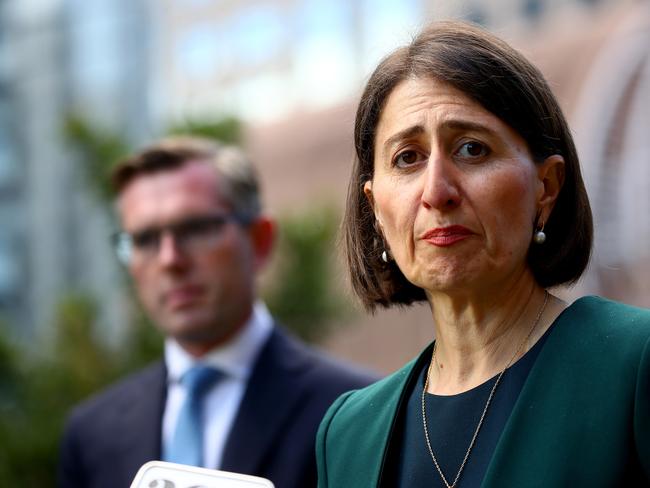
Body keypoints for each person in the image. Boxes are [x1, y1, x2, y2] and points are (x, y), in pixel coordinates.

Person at [316, 20, 650, 487]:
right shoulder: (346, 434)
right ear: (375, 209)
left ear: (546, 189)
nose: (437, 191)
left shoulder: (633, 363)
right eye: (407, 157)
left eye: (472, 149)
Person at [58, 136, 376, 488]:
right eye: (145, 240)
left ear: (259, 240)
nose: (170, 260)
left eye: (196, 229)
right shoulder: (92, 435)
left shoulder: (358, 415)